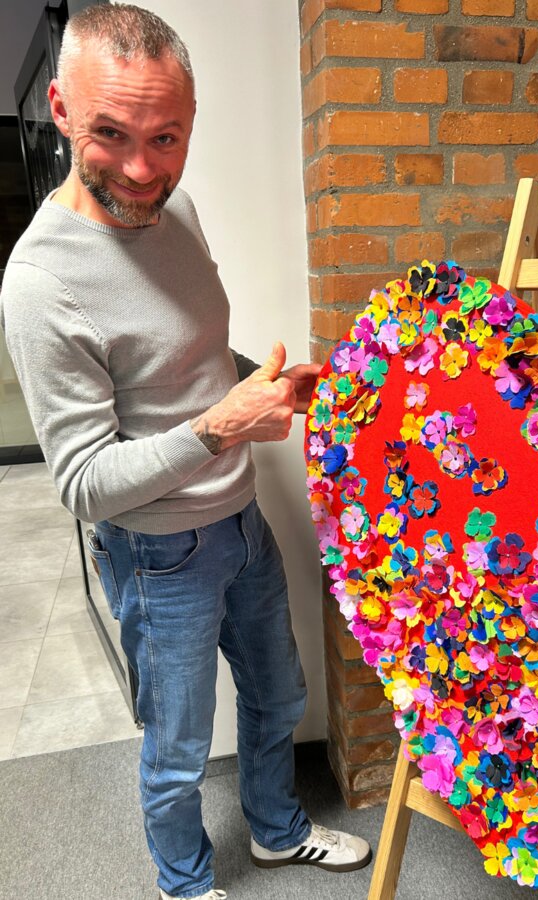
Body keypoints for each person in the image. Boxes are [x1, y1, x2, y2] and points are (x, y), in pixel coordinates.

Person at [0, 5, 371, 899]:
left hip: (240, 519)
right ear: (60, 109)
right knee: (177, 747)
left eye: (165, 138)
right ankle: (184, 882)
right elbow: (82, 483)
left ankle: (278, 833)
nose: (141, 170)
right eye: (111, 134)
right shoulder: (40, 284)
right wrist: (219, 427)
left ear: (192, 118)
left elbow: (192, 358)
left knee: (278, 695)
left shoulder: (180, 209)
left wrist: (260, 382)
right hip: (156, 552)